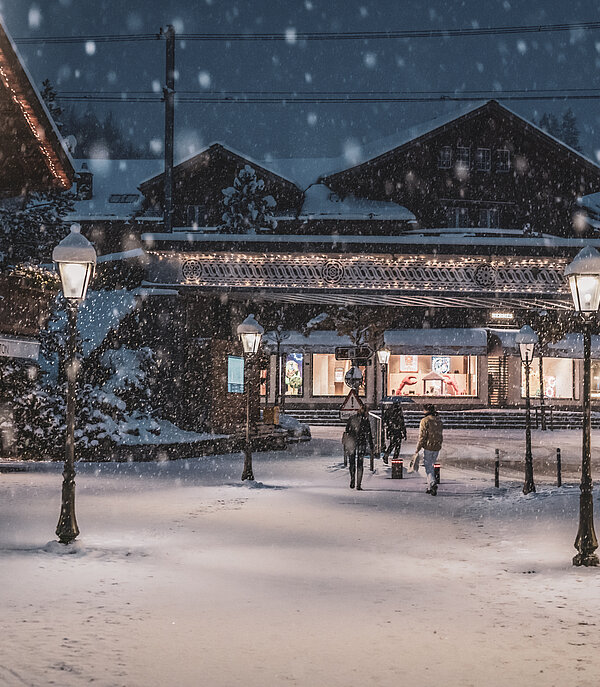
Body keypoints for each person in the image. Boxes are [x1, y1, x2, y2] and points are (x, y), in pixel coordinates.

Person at [413, 403, 443, 496]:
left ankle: (432, 483)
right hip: (437, 446)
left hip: (428, 446)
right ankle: (430, 487)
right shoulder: (438, 420)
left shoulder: (425, 421)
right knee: (432, 465)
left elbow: (422, 436)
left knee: (428, 467)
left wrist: (418, 448)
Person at [344, 405, 374, 490]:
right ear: (364, 411)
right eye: (367, 412)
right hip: (361, 442)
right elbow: (369, 433)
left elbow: (347, 430)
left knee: (352, 462)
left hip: (351, 442)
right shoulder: (365, 420)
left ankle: (352, 478)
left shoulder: (352, 418)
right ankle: (358, 484)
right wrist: (371, 445)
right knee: (360, 463)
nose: (368, 414)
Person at [382, 399, 407, 465]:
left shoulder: (389, 410)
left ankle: (387, 456)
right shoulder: (399, 411)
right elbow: (402, 422)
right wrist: (404, 432)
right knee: (397, 445)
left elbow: (385, 419)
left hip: (391, 430)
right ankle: (394, 459)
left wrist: (388, 428)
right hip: (397, 430)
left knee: (392, 444)